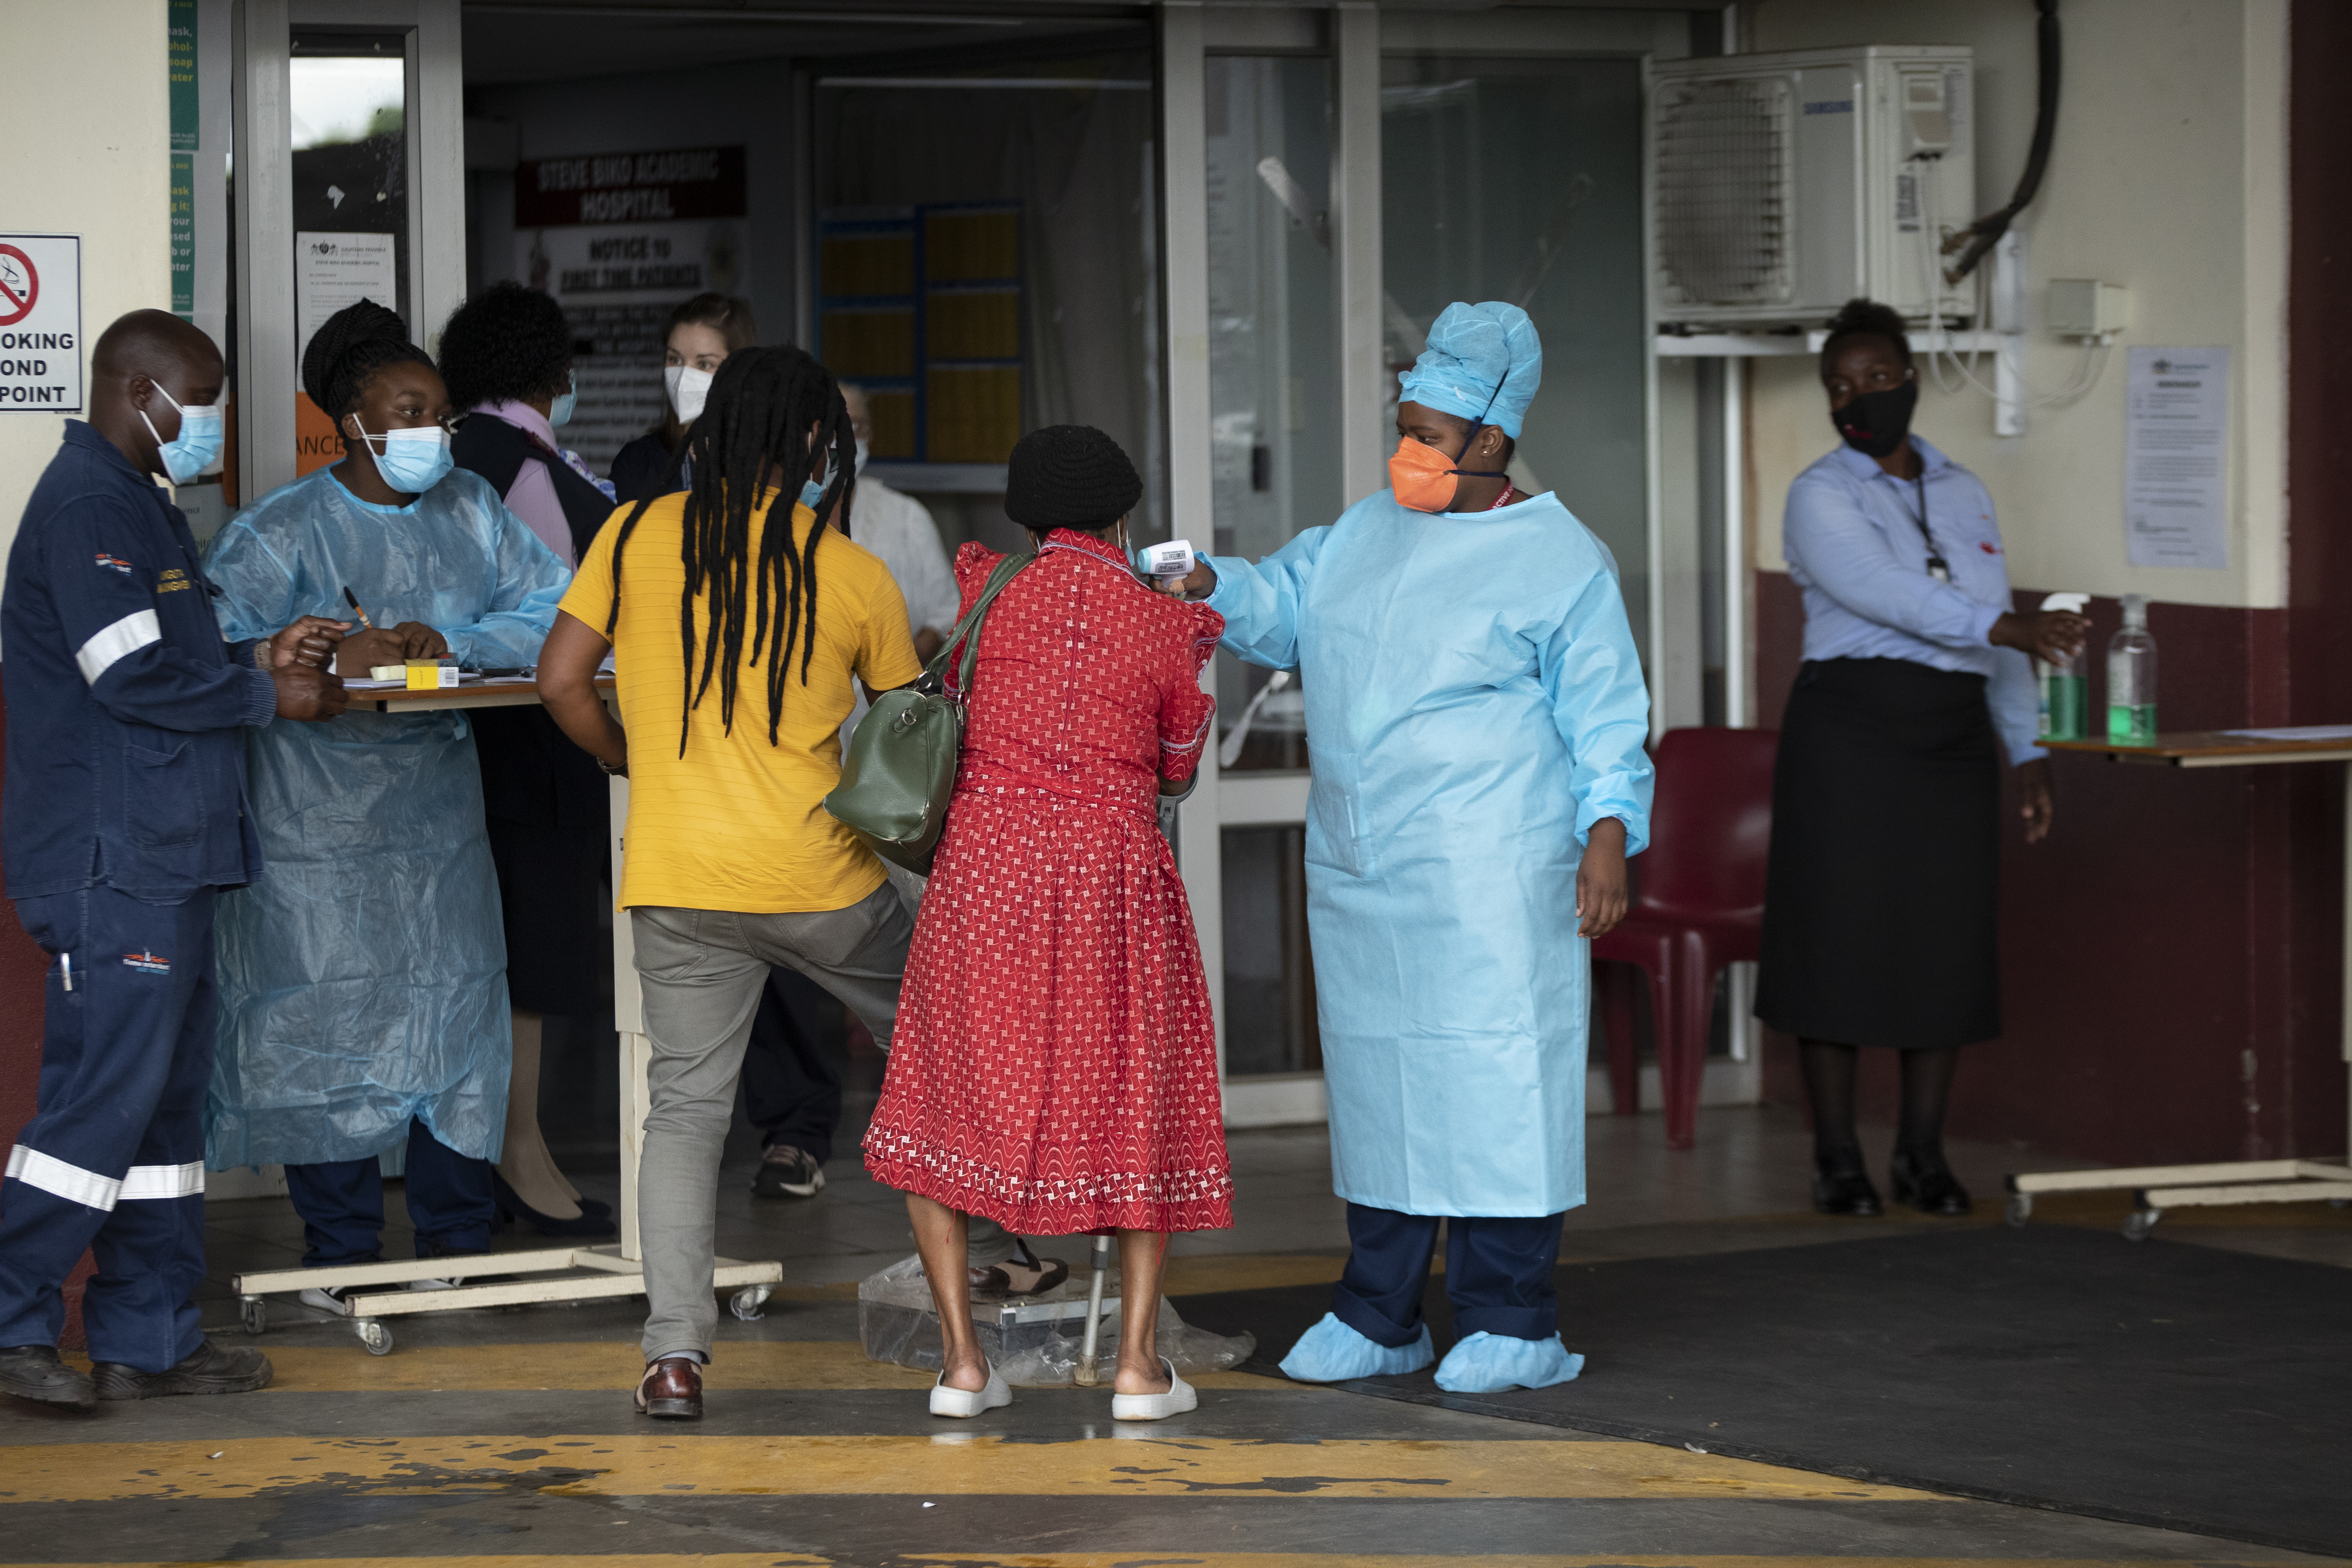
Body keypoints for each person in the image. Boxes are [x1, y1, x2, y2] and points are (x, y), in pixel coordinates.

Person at [1168, 300, 1652, 1396]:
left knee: (1495, 1083)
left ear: (1490, 441)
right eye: (1405, 423)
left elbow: (1606, 717)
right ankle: (1378, 1310)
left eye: (1430, 433)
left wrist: (1607, 837)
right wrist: (1210, 581)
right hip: (1365, 867)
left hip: (1493, 870)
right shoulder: (1362, 532)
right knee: (1382, 1083)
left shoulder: (1560, 559)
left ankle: (1510, 1313)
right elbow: (1284, 606)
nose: (1408, 449)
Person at [536, 345, 923, 1422]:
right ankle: (996, 1273)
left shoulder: (632, 533)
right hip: (822, 882)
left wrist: (626, 757)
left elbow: (559, 679)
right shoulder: (848, 568)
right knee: (940, 1049)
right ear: (811, 444)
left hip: (676, 875)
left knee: (685, 1114)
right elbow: (906, 737)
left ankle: (672, 1358)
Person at [0, 310, 346, 1411]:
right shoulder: (92, 503)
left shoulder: (145, 503)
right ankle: (7, 1322)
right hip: (116, 864)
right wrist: (266, 693)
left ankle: (147, 1336)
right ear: (138, 391)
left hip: (168, 856)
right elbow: (123, 674)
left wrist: (255, 654)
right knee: (98, 1106)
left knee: (162, 1115)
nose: (212, 423)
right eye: (202, 402)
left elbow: (170, 654)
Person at [202, 300, 570, 1302]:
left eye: (440, 413)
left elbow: (553, 604)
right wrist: (322, 649)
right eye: (408, 411)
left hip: (437, 832)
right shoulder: (280, 532)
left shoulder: (467, 509)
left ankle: (452, 1242)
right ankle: (338, 1253)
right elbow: (211, 642)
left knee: (453, 1025)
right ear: (351, 418)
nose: (430, 434)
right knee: (329, 1030)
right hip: (313, 840)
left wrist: (451, 641)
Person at [863, 424, 1231, 1421]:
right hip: (1111, 880)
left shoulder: (986, 601)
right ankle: (1137, 1370)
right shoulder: (1161, 621)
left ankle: (962, 1368)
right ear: (1122, 517)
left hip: (983, 876)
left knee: (940, 1099)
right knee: (1134, 1101)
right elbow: (1177, 766)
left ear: (1024, 519)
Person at [1755, 298, 2088, 1219]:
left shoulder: (1966, 489)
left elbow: (1998, 634)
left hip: (1949, 741)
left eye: (1874, 379)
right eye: (1838, 387)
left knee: (1944, 944)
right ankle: (1836, 1159)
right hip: (1851, 733)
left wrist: (2026, 748)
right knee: (1839, 943)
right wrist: (2007, 624)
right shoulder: (1820, 494)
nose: (1857, 398)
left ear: (1909, 378)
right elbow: (1886, 593)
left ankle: (1922, 1156)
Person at [438, 281, 618, 1239]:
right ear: (551, 375)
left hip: (479, 745)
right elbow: (565, 611)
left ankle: (522, 1153)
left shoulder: (472, 451)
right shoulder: (522, 466)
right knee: (533, 960)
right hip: (540, 740)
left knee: (508, 954)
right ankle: (518, 1156)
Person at [607, 292, 757, 505]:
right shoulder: (637, 461)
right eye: (675, 359)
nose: (683, 377)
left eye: (704, 364)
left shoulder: (763, 465)